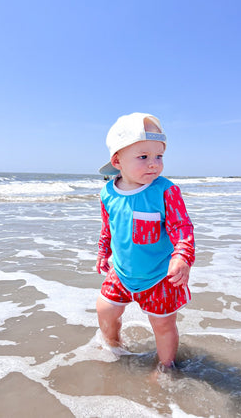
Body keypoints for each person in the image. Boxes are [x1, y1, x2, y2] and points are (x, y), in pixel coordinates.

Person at [96, 112, 195, 370]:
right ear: (117, 160)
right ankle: (113, 345)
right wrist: (102, 252)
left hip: (159, 277)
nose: (154, 164)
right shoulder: (108, 192)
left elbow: (181, 226)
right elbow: (108, 227)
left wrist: (182, 256)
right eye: (143, 157)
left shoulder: (165, 190)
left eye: (159, 156)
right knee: (105, 309)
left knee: (163, 325)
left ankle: (166, 366)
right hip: (121, 272)